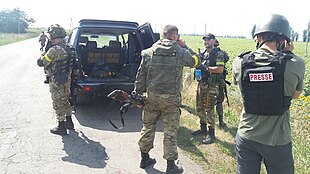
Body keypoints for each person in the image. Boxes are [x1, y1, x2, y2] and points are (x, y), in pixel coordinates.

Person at [232, 14, 305, 174]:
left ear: (258, 37)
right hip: (277, 141)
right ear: (284, 40)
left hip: (246, 136)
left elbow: (244, 88)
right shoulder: (296, 63)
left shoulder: (239, 62)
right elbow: (296, 94)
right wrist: (289, 54)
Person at [134, 24, 200, 173]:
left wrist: (137, 96)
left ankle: (144, 158)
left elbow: (140, 77)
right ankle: (171, 165)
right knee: (170, 130)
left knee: (148, 126)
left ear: (163, 34)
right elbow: (196, 61)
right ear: (175, 35)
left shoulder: (148, 52)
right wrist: (186, 46)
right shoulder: (180, 51)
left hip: (151, 98)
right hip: (171, 100)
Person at [37, 24, 77, 135]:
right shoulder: (70, 48)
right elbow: (75, 66)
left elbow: (41, 62)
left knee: (58, 102)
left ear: (54, 36)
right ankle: (69, 123)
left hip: (57, 81)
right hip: (67, 80)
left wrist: (43, 54)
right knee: (66, 100)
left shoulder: (54, 50)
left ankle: (61, 126)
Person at [191, 33, 225, 145]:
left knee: (209, 109)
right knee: (199, 107)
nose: (206, 42)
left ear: (214, 41)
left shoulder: (218, 54)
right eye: (205, 40)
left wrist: (206, 68)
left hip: (212, 86)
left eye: (209, 40)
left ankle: (211, 133)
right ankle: (203, 128)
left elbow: (220, 69)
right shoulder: (203, 53)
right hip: (202, 84)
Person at [214, 39, 228, 128]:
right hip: (218, 81)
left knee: (218, 101)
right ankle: (220, 121)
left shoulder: (220, 53)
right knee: (218, 102)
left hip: (218, 81)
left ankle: (220, 121)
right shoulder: (221, 53)